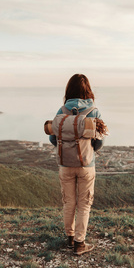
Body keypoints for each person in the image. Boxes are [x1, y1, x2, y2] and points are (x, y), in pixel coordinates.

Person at [49, 74, 105, 256]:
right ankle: (80, 243)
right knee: (84, 204)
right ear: (88, 90)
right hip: (86, 165)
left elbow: (52, 137)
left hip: (65, 164)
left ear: (69, 90)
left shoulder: (61, 110)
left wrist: (67, 148)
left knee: (68, 202)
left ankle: (69, 238)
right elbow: (99, 141)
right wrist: (89, 150)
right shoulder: (93, 112)